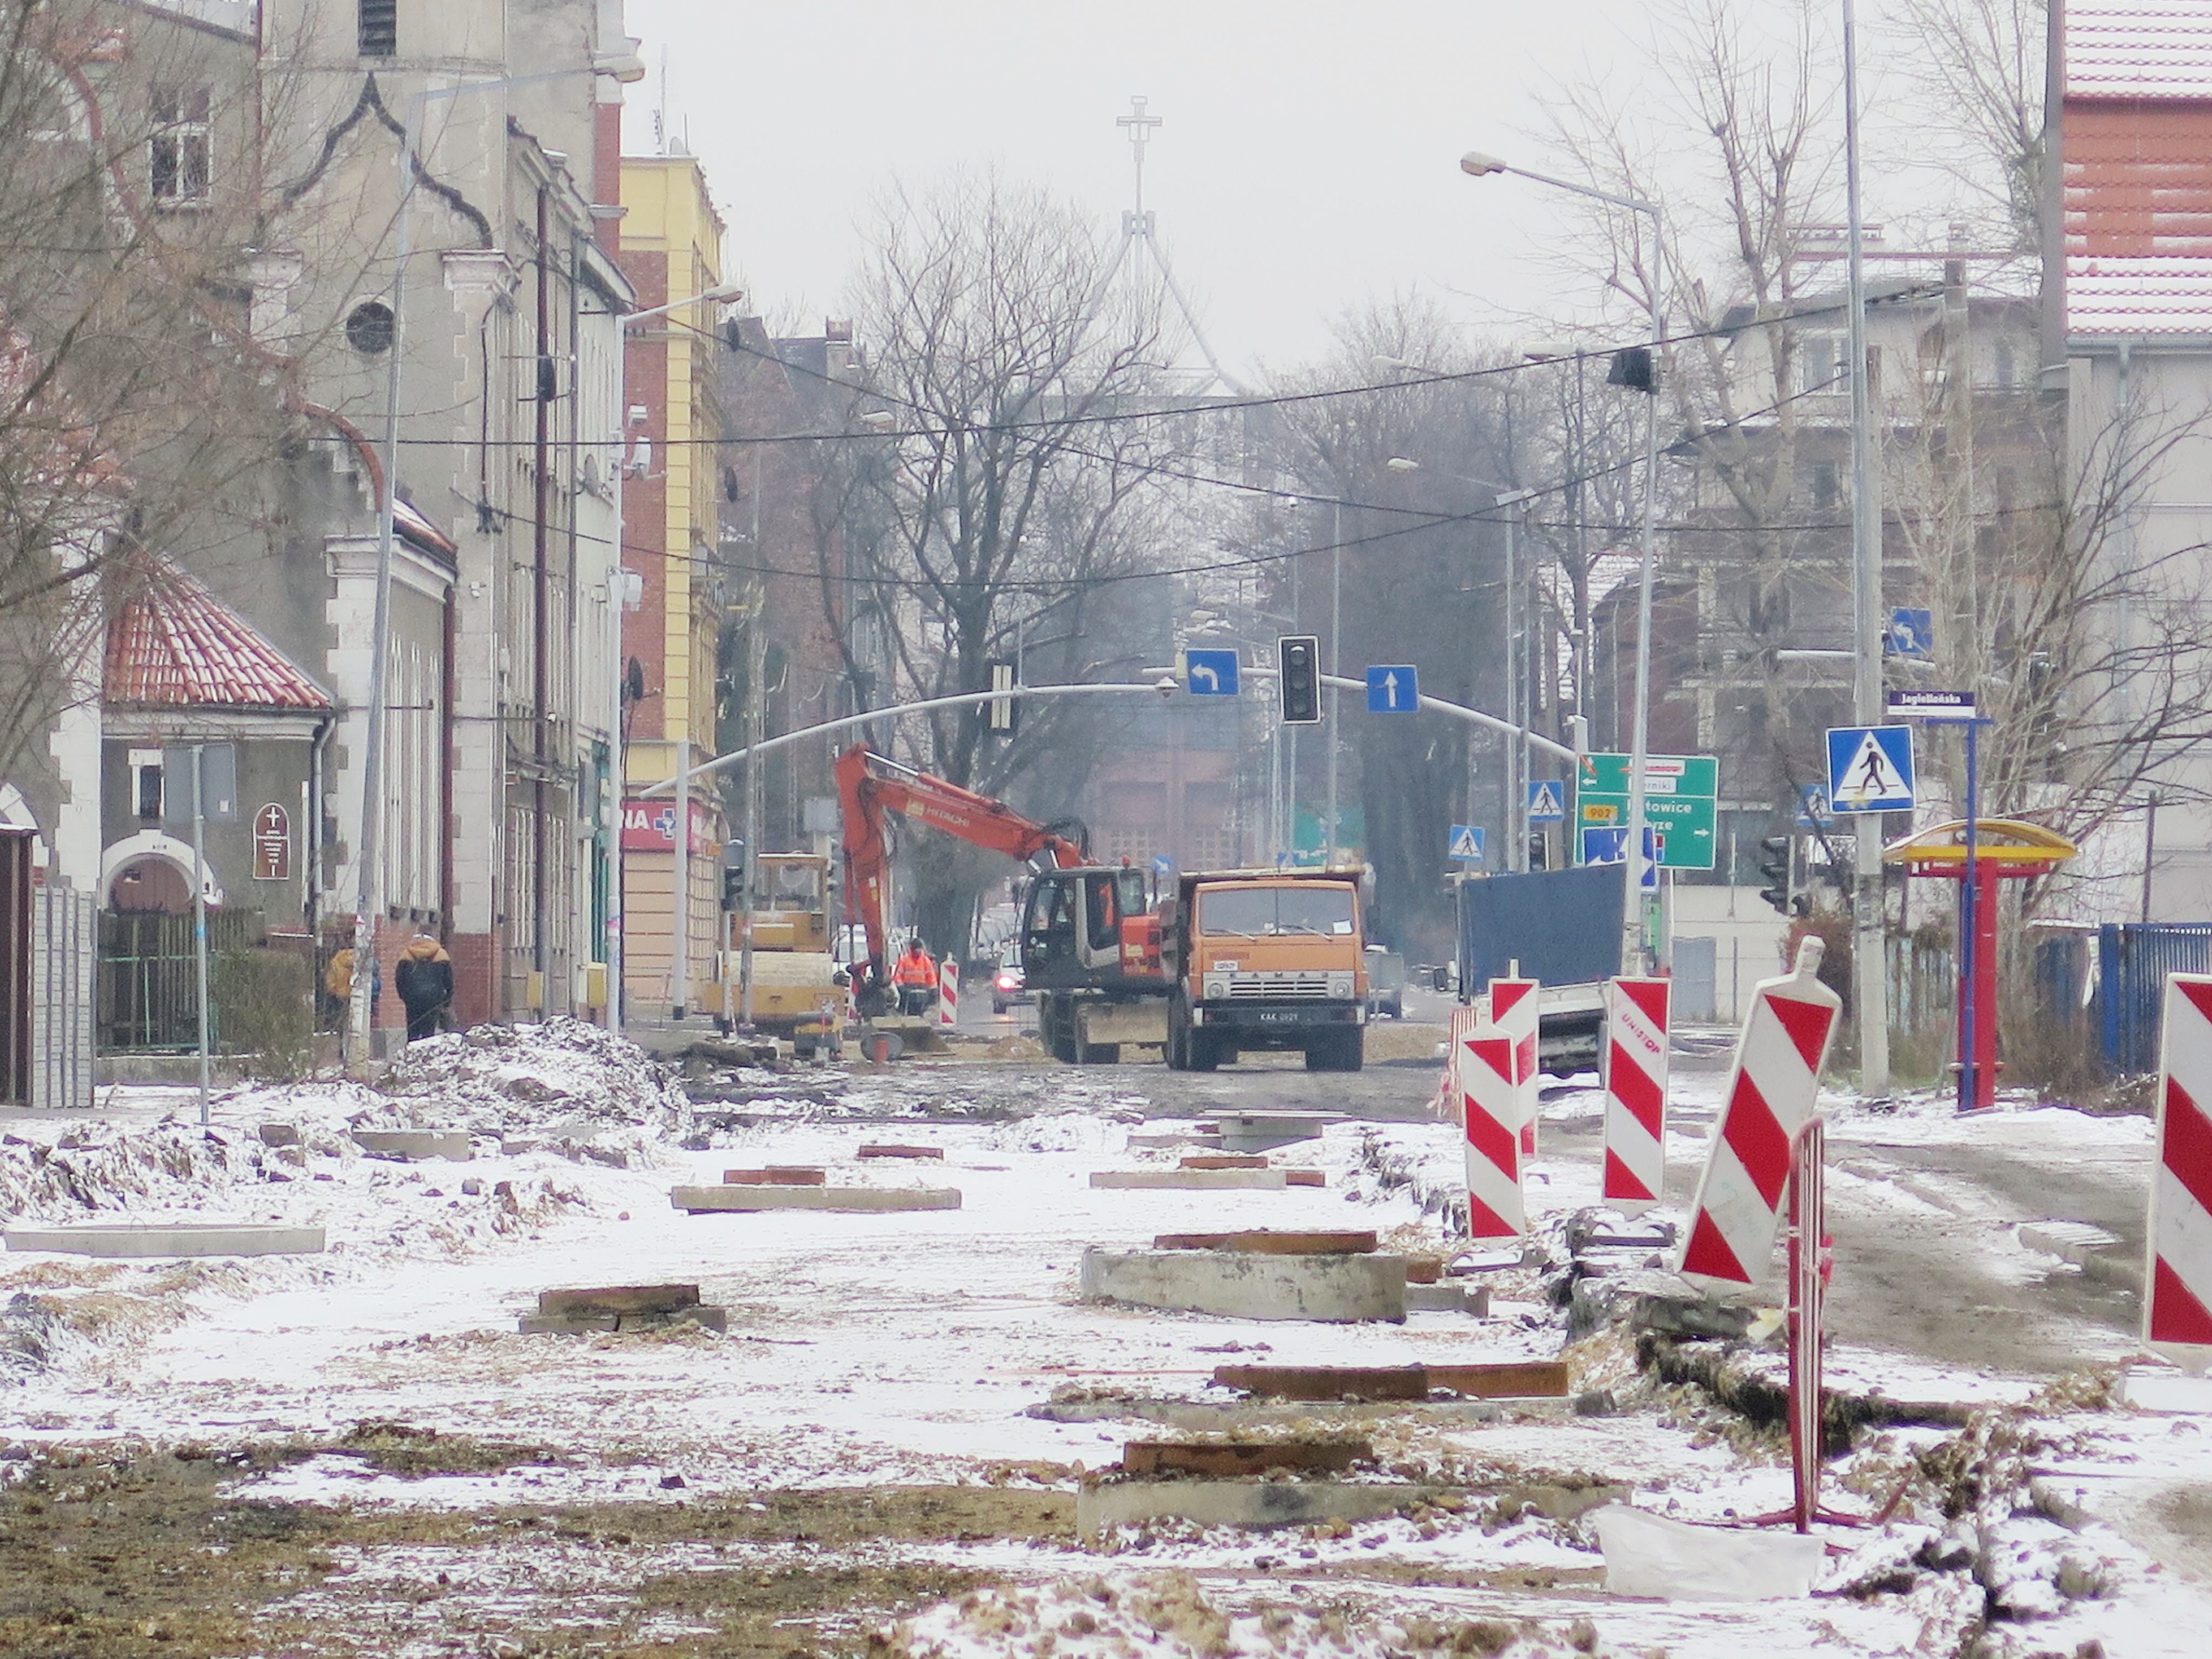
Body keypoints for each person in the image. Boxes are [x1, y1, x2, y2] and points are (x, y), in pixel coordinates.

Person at [394, 932, 455, 1042]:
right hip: (434, 998)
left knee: (413, 1028)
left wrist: (404, 996)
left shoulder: (406, 954)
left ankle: (412, 1052)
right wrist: (447, 1000)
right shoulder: (441, 955)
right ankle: (426, 1052)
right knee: (429, 1029)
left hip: (412, 998)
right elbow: (449, 980)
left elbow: (399, 979)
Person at [322, 945, 380, 1029]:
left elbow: (330, 981)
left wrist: (335, 990)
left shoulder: (336, 961)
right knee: (360, 1024)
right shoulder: (364, 960)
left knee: (341, 1023)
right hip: (360, 996)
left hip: (341, 996)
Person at [892, 937, 938, 1018]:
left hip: (922, 991)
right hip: (908, 991)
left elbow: (931, 976)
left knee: (921, 1012)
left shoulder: (926, 961)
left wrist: (934, 989)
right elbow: (898, 976)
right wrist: (901, 987)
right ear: (912, 949)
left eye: (919, 949)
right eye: (917, 949)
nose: (918, 951)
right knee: (908, 1012)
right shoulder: (905, 960)